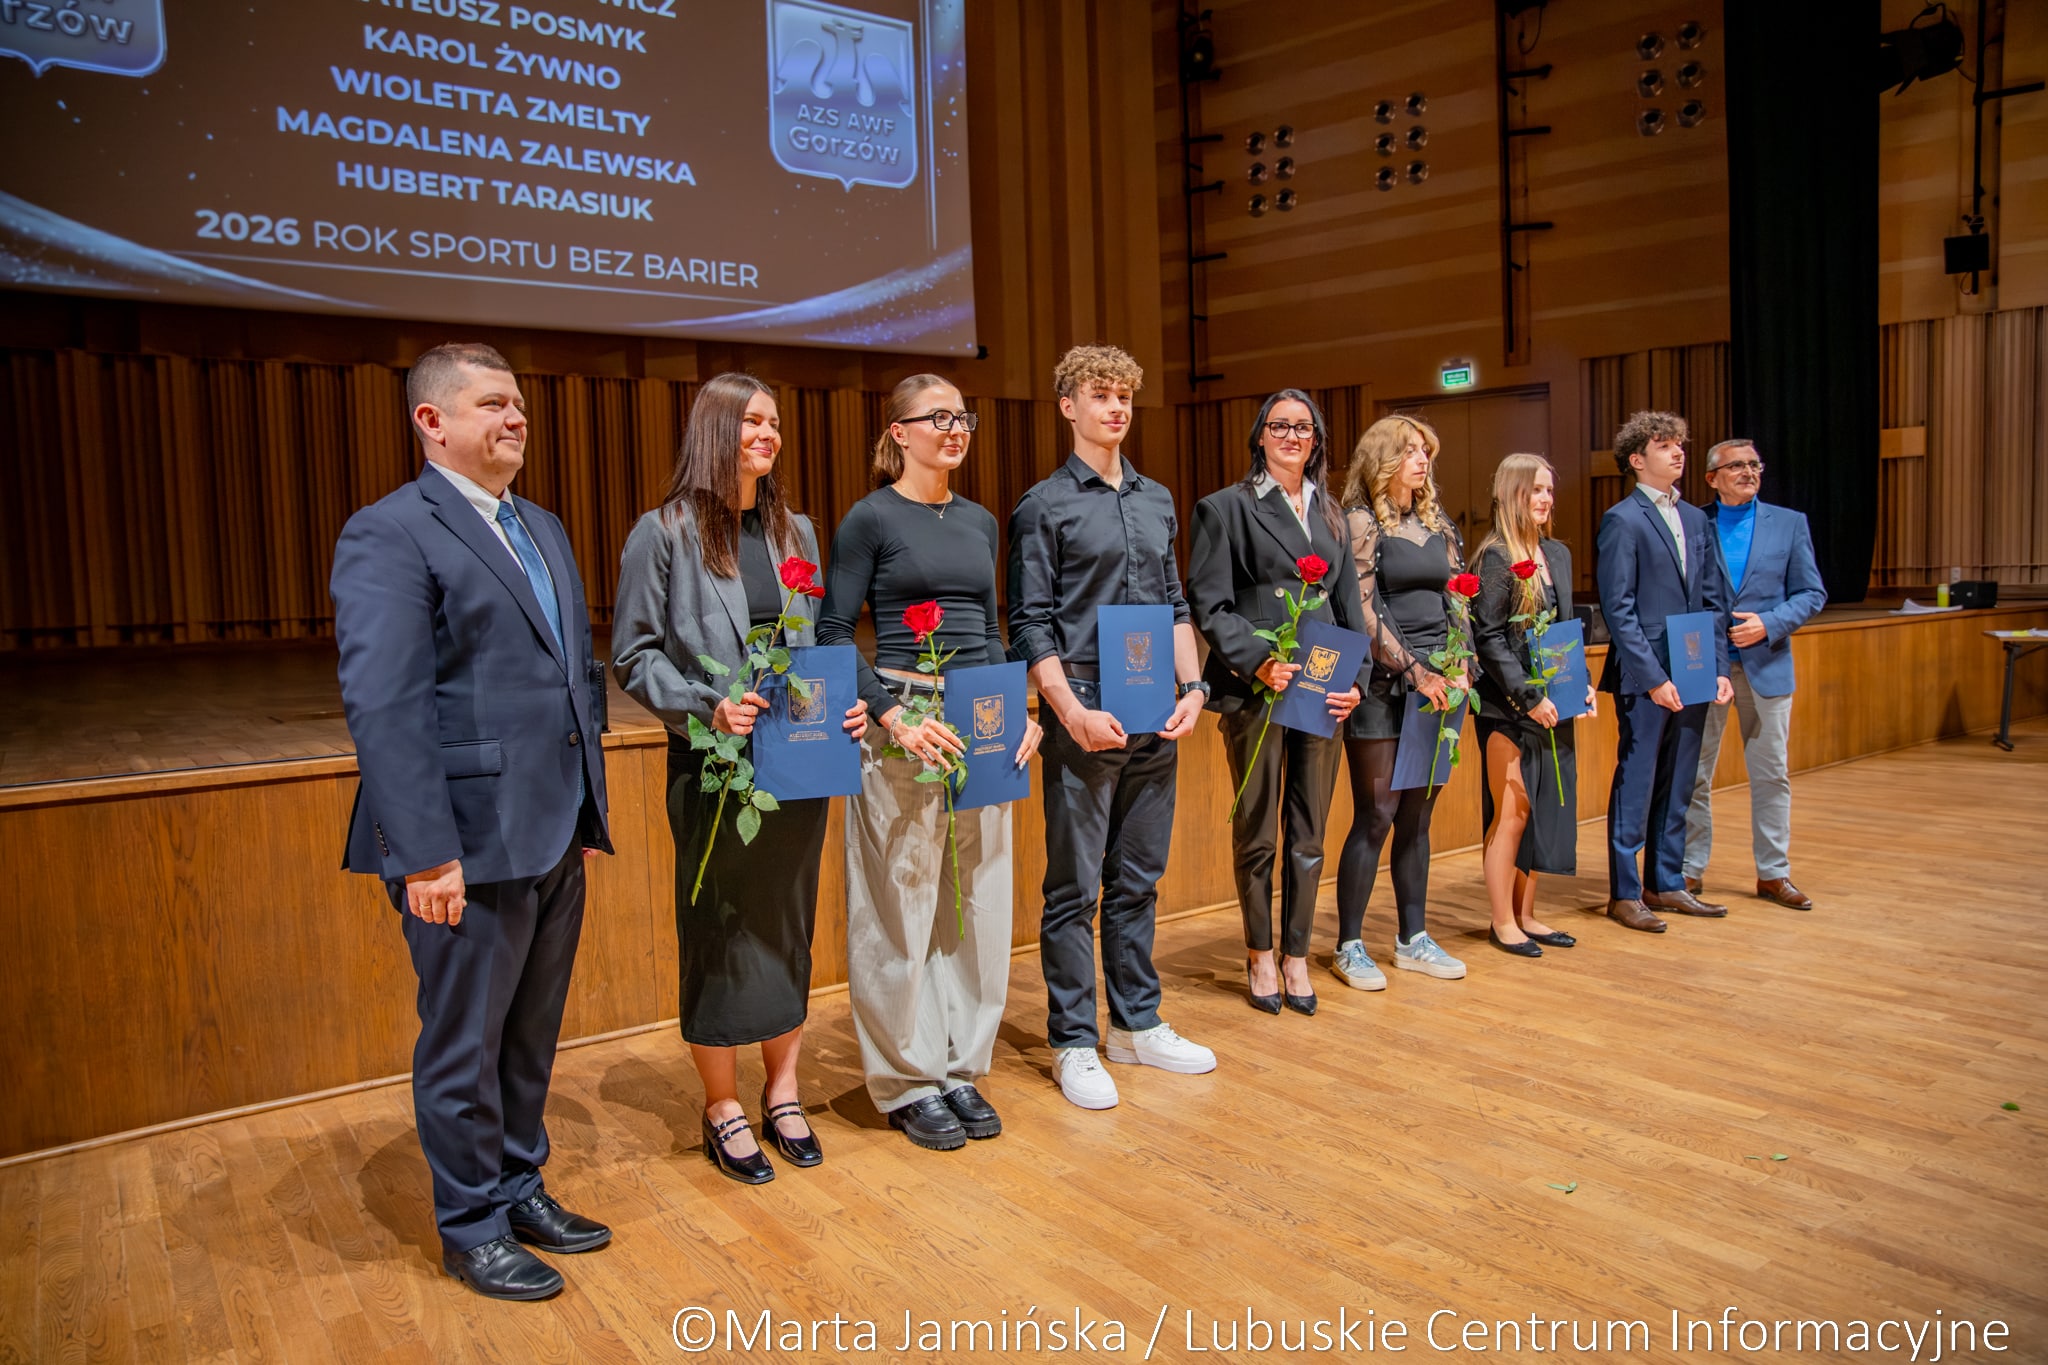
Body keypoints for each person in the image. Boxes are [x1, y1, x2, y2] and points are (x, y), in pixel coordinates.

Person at [332, 342, 614, 1302]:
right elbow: (386, 706)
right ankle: (470, 1224)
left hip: (551, 828)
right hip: (461, 841)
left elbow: (575, 671)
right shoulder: (389, 533)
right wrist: (424, 854)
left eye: (520, 405)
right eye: (493, 404)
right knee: (464, 1044)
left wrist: (586, 801)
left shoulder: (541, 524)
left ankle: (517, 1181)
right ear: (431, 421)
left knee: (529, 1035)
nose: (516, 419)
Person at [612, 373, 867, 1186]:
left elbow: (819, 644)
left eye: (776, 424)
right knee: (721, 926)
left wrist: (851, 706)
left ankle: (782, 1091)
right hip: (715, 763)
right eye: (754, 421)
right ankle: (722, 1103)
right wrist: (707, 705)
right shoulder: (664, 533)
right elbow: (633, 655)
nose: (770, 434)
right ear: (715, 429)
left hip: (797, 758)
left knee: (788, 919)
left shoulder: (801, 534)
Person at [818, 374, 1043, 1150]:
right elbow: (830, 630)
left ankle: (958, 1064)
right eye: (938, 417)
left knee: (975, 899)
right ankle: (907, 1076)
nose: (955, 428)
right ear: (899, 432)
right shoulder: (870, 518)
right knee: (901, 901)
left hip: (981, 714)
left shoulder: (980, 520)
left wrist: (1023, 714)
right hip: (904, 719)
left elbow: (988, 627)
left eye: (963, 416)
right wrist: (890, 714)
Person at [1006, 343, 1216, 1110]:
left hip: (1155, 707)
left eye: (1124, 395)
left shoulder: (1158, 499)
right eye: (1100, 395)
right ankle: (1071, 1039)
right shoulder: (1043, 507)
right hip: (1085, 711)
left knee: (1139, 879)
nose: (1116, 408)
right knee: (1074, 887)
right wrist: (1068, 711)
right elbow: (1030, 624)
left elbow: (1176, 606)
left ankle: (1135, 1023)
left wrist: (1193, 685)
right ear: (1068, 407)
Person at [1187, 390, 1364, 1016]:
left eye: (1304, 427)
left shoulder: (1334, 515)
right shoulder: (1225, 509)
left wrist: (1358, 680)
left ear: (1317, 440)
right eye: (1280, 426)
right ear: (1260, 436)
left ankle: (1296, 955)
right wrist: (1257, 658)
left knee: (1309, 833)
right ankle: (1259, 951)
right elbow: (1209, 603)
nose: (1293, 436)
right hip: (1258, 688)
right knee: (1259, 829)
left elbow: (1349, 611)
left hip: (1323, 689)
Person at [1331, 415, 1471, 988]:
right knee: (1378, 813)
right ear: (1383, 460)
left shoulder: (1437, 521)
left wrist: (1460, 660)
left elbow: (1459, 595)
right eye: (1410, 451)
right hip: (1385, 687)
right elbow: (1364, 610)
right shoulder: (1360, 522)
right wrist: (1415, 669)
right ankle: (1349, 945)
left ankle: (1413, 938)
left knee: (1418, 815)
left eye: (1426, 452)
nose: (1422, 461)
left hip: (1443, 683)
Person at [1596, 410, 1733, 934]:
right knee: (1637, 780)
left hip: (1695, 666)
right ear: (1637, 459)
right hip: (1645, 675)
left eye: (1680, 443)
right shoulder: (1623, 519)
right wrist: (1654, 677)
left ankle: (1666, 881)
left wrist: (1719, 668)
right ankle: (1625, 892)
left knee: (1680, 779)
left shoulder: (1698, 519)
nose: (1678, 452)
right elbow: (1619, 608)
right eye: (1664, 445)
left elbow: (1715, 600)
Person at [1682, 438, 1827, 909]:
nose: (1749, 472)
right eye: (1737, 466)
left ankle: (1773, 873)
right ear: (1712, 478)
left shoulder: (1789, 523)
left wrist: (1771, 623)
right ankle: (1688, 869)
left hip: (1767, 664)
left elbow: (1811, 593)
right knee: (1694, 774)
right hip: (1705, 668)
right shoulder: (1691, 522)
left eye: (1754, 464)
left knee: (1771, 775)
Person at [1471, 453, 1596, 957]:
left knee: (1543, 811)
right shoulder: (1495, 557)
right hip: (1508, 708)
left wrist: (1578, 685)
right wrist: (1530, 696)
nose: (1545, 499)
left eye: (1549, 490)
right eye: (1535, 490)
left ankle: (1527, 914)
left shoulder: (1557, 555)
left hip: (1553, 704)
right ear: (1510, 494)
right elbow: (1489, 638)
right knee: (1512, 813)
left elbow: (1564, 634)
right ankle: (1502, 921)